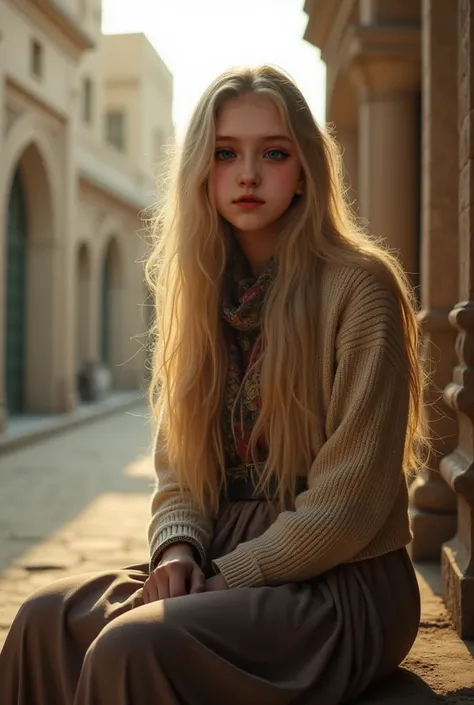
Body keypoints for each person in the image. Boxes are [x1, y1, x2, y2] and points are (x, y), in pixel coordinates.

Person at [0, 65, 425, 705]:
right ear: (202, 168)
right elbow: (180, 471)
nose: (247, 174)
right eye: (226, 153)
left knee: (130, 647)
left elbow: (349, 505)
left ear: (306, 167)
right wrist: (176, 550)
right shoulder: (200, 292)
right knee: (42, 620)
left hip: (341, 582)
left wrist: (229, 573)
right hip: (220, 561)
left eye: (273, 153)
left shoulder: (359, 288)